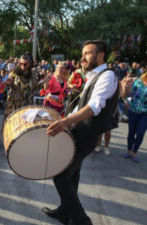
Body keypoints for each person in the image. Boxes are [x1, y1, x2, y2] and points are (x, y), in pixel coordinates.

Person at [43, 40, 119, 225]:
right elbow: (81, 104)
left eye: (87, 53)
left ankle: (82, 221)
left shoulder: (107, 76)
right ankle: (64, 212)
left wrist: (66, 122)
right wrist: (63, 118)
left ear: (100, 56)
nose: (82, 57)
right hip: (79, 132)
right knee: (72, 175)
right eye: (83, 53)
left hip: (87, 135)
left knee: (61, 177)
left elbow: (94, 106)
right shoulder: (94, 76)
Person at [4, 53, 42, 120]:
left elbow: (35, 87)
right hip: (14, 105)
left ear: (30, 64)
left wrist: (44, 82)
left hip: (27, 105)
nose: (23, 66)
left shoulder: (33, 75)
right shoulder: (14, 72)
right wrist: (9, 82)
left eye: (25, 64)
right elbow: (10, 81)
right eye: (21, 63)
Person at [120, 73, 147, 163]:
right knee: (131, 131)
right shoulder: (138, 82)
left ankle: (135, 152)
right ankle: (128, 150)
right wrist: (125, 87)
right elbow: (128, 95)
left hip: (145, 114)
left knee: (140, 132)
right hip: (133, 111)